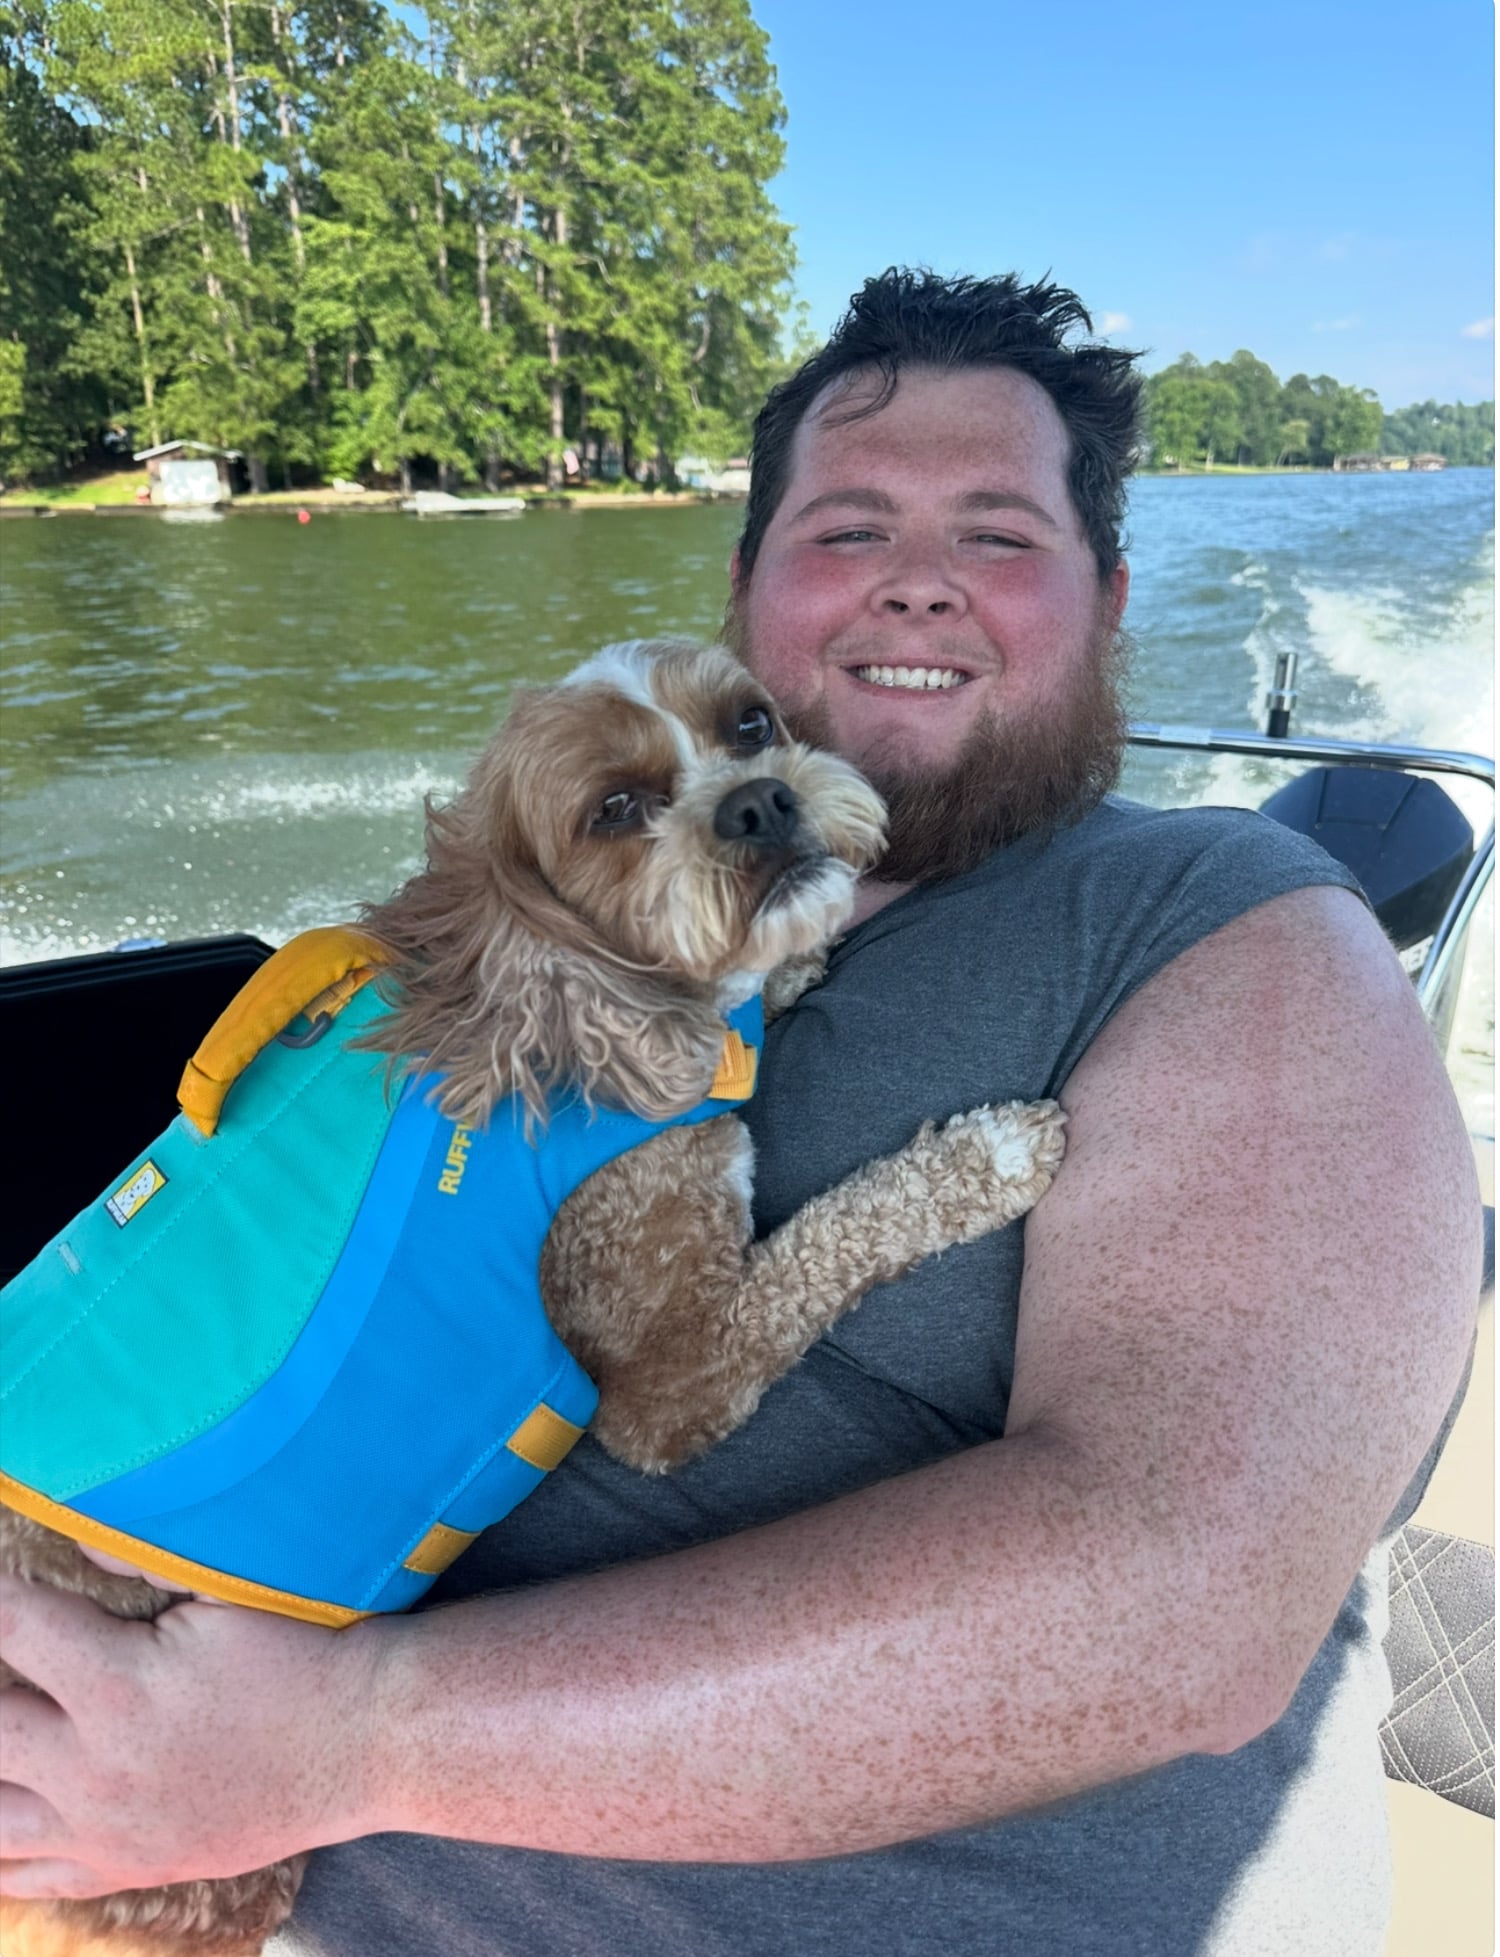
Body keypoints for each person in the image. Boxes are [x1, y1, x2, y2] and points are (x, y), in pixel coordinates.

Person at [0, 270, 1481, 1955]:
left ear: (1114, 603)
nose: (918, 579)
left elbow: (1188, 1595)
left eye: (999, 536)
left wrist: (334, 1745)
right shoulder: (551, 922)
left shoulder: (1228, 920)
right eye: (848, 530)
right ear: (744, 596)